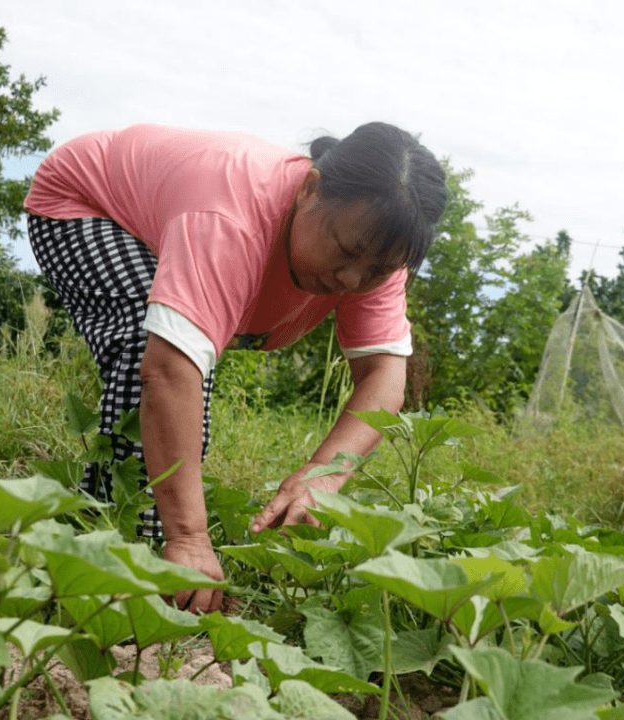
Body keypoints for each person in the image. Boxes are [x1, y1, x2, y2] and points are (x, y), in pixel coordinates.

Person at [24, 121, 447, 613]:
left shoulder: (376, 248)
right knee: (147, 347)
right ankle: (117, 548)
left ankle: (126, 526)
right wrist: (188, 536)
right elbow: (167, 372)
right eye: (347, 252)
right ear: (310, 190)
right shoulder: (230, 218)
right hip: (84, 204)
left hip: (178, 220)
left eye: (377, 271)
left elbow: (385, 378)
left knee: (179, 389)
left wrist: (325, 473)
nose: (352, 278)